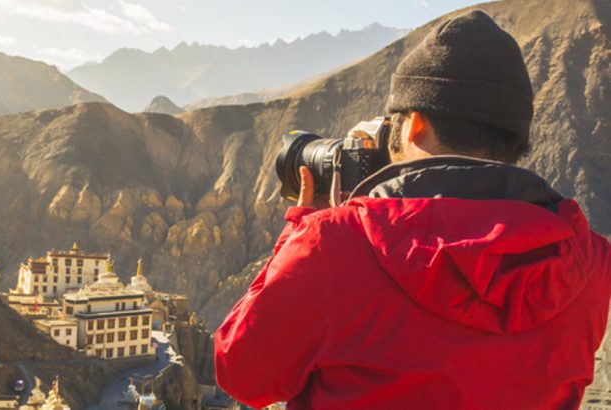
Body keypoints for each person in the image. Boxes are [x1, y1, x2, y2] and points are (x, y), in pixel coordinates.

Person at [214, 10, 611, 410]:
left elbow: (243, 374)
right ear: (515, 140)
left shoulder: (334, 244)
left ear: (414, 125)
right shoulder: (592, 262)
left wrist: (309, 228)